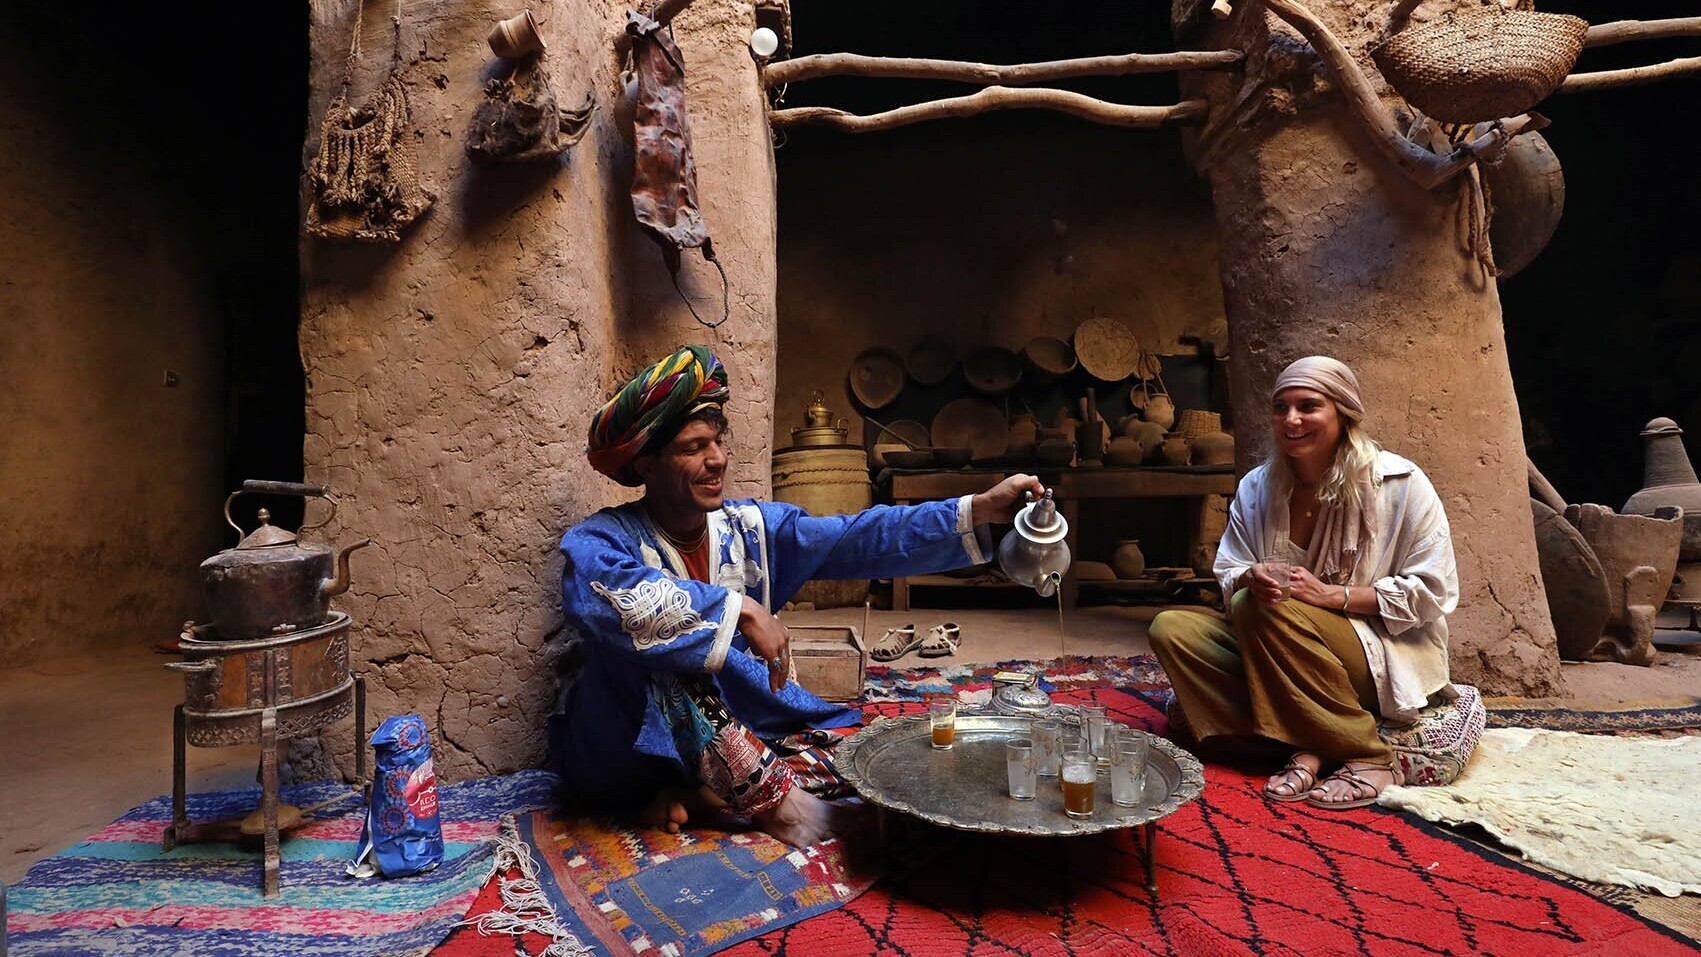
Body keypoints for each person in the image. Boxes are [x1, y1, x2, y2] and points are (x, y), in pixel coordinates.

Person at [550, 345, 1044, 846]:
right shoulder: (606, 537)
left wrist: (979, 509)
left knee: (861, 754)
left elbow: (859, 535)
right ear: (647, 463)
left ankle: (703, 796)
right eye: (693, 448)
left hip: (726, 735)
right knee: (661, 656)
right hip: (621, 750)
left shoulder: (749, 529)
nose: (716, 459)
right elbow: (600, 596)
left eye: (717, 442)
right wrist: (737, 609)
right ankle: (781, 808)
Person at [1148, 355, 1459, 811]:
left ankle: (1365, 753)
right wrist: (1249, 577)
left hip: (1377, 650)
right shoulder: (1258, 487)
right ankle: (1310, 741)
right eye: (1280, 407)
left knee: (1257, 609)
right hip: (1278, 644)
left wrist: (1333, 596)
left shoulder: (1400, 483)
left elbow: (1434, 592)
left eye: (1308, 406)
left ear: (1343, 413)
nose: (1291, 420)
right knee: (1171, 629)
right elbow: (1230, 569)